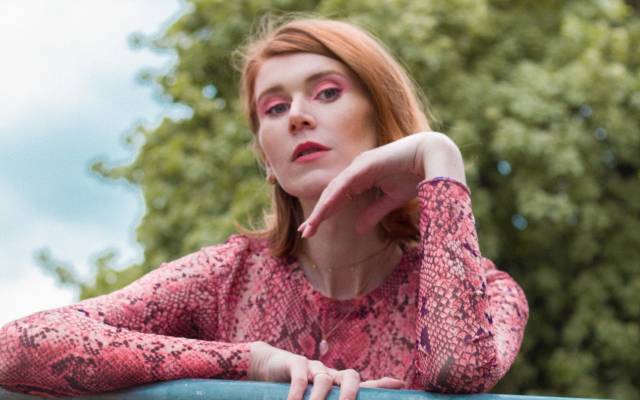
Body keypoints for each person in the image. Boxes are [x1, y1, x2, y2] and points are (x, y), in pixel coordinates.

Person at [0, 16, 528, 400]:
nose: (297, 116)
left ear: (384, 120)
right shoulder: (225, 277)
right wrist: (250, 363)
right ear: (267, 159)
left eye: (326, 93)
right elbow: (19, 347)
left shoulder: (486, 291)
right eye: (274, 108)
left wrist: (438, 158)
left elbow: (458, 368)